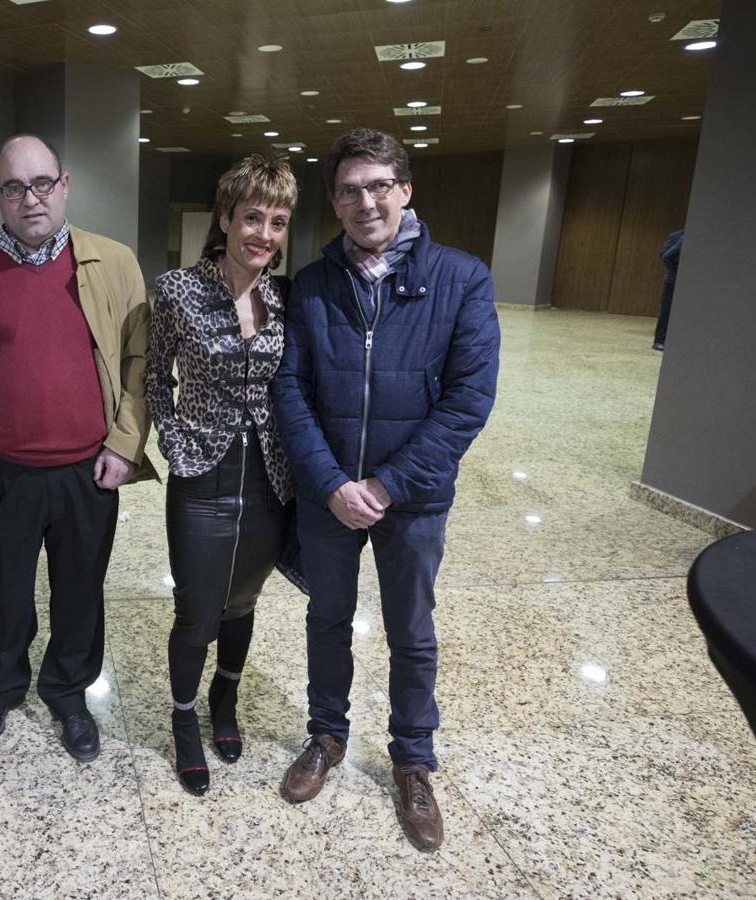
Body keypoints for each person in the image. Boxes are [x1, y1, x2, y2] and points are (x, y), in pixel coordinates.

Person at [272, 128, 500, 851]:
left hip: (413, 499)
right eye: (348, 189)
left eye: (378, 185)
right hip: (329, 495)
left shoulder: (462, 279)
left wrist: (389, 484)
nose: (364, 200)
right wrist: (335, 483)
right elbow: (289, 391)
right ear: (335, 203)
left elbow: (469, 400)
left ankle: (412, 761)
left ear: (405, 189)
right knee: (327, 621)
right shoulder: (310, 284)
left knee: (412, 632)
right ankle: (326, 737)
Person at [0, 134, 153, 762]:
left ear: (64, 186)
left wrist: (125, 442)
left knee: (80, 592)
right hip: (2, 473)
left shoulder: (113, 263)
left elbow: (141, 362)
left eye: (41, 184)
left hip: (90, 471)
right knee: (5, 594)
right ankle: (1, 687)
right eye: (13, 187)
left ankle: (67, 691)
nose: (28, 198)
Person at [144, 154, 298, 796]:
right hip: (201, 473)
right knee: (197, 610)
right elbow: (153, 376)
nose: (264, 233)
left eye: (279, 221)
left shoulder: (280, 297)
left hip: (268, 476)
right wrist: (175, 440)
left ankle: (224, 701)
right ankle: (183, 722)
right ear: (226, 219)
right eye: (253, 218)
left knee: (244, 602)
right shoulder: (178, 289)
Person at [652, 228, 684, 351]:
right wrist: (674, 272)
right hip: (673, 280)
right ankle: (659, 340)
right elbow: (664, 255)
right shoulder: (677, 236)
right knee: (666, 311)